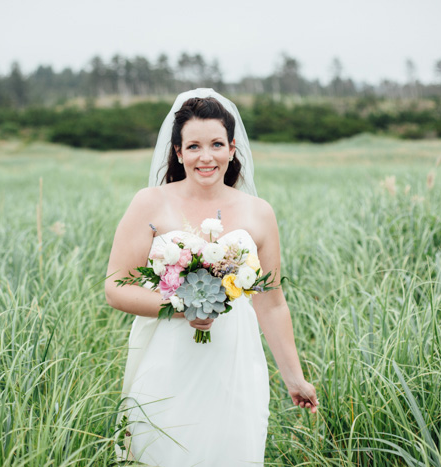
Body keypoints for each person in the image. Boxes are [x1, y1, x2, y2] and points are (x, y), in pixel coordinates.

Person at [105, 88, 318, 466]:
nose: (206, 157)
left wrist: (294, 378)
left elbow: (271, 303)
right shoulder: (150, 203)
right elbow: (116, 286)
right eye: (194, 146)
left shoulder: (259, 213)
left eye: (217, 144)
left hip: (234, 359)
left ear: (233, 149)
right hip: (167, 356)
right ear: (178, 152)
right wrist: (179, 306)